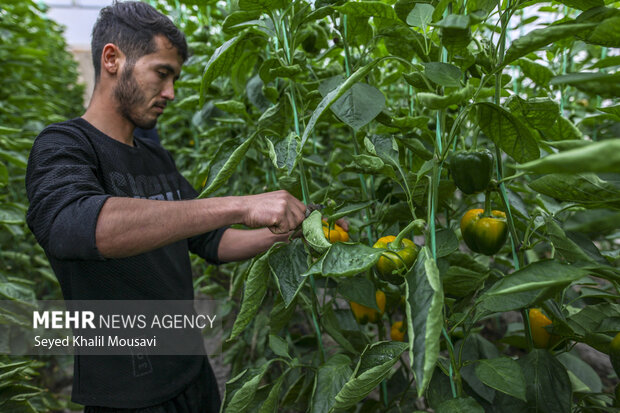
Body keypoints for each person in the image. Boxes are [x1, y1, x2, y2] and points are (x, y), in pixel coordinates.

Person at [24, 1, 307, 411]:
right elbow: (76, 225)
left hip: (193, 373)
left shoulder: (155, 157)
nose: (171, 93)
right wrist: (240, 204)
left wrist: (291, 231)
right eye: (162, 73)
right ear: (112, 59)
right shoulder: (65, 146)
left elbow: (212, 240)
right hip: (128, 396)